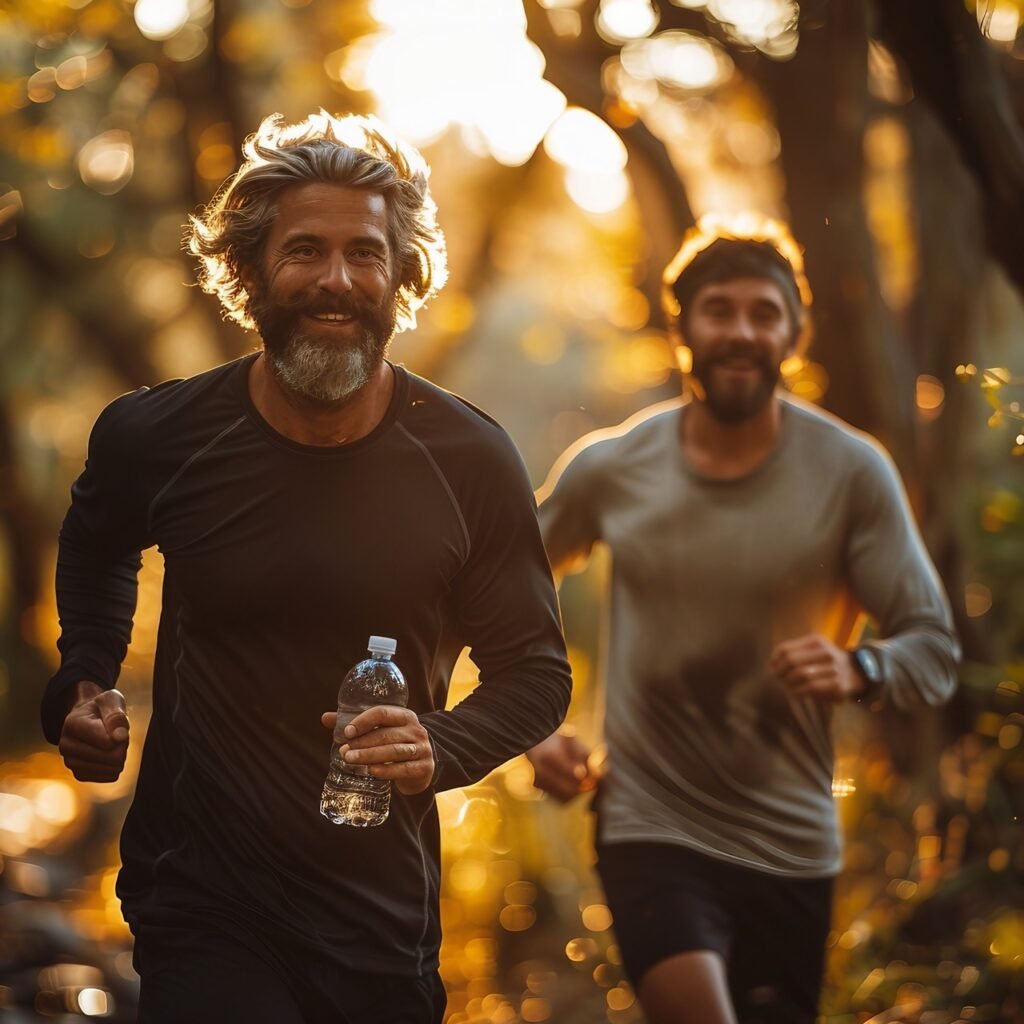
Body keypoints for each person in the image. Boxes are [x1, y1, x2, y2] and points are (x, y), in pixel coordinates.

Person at [41, 111, 572, 1024]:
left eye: (365, 254)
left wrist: (437, 747)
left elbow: (537, 674)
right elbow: (97, 543)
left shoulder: (469, 459)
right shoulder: (157, 436)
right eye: (304, 252)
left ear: (402, 276)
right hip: (201, 895)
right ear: (247, 273)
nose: (336, 281)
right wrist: (82, 679)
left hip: (376, 916)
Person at [527, 219, 959, 1024]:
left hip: (793, 843)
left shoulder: (851, 471)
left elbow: (933, 649)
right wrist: (525, 725)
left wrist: (861, 668)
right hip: (648, 823)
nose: (740, 331)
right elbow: (497, 589)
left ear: (795, 333)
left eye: (764, 313)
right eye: (718, 310)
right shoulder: (612, 467)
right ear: (681, 328)